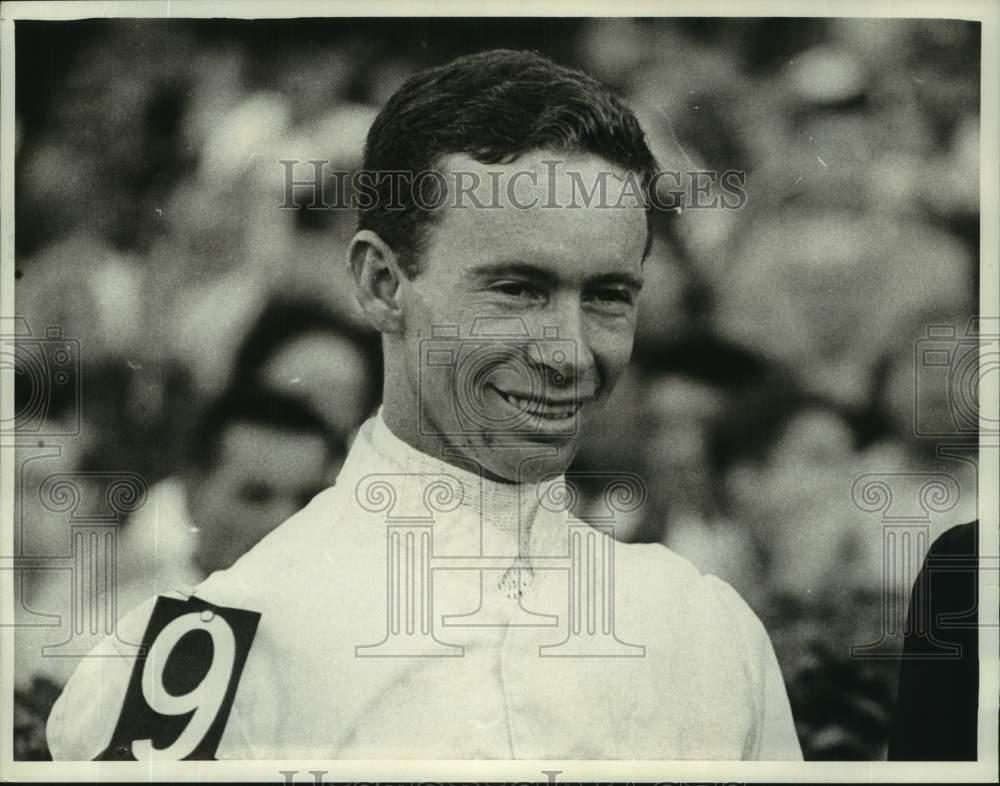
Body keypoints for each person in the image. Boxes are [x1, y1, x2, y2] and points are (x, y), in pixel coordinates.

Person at [48, 49, 801, 761]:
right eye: (517, 290)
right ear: (381, 284)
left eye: (608, 297)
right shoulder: (211, 646)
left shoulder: (704, 631)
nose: (570, 351)